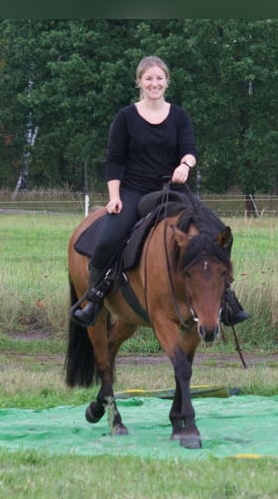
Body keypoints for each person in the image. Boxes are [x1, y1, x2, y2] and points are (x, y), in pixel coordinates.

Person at [72, 55, 249, 327]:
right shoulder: (126, 117)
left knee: (220, 233)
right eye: (148, 78)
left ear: (167, 81)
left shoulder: (179, 115)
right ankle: (94, 298)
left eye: (159, 78)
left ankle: (226, 298)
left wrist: (185, 165)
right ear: (139, 82)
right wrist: (114, 197)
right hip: (134, 191)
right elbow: (114, 159)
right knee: (108, 240)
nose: (154, 83)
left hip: (173, 189)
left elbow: (190, 150)